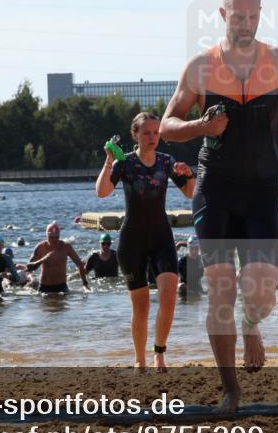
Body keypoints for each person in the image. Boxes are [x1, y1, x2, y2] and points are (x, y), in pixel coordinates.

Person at [160, 0, 278, 411]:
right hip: (216, 187)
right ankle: (231, 389)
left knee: (261, 294)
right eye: (238, 16)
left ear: (260, 15)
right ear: (223, 15)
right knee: (220, 291)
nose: (246, 23)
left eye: (253, 16)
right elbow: (168, 124)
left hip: (263, 188)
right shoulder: (201, 67)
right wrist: (202, 127)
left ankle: (251, 324)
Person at [96, 112, 195, 371]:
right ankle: (139, 359)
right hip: (132, 242)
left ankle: (159, 352)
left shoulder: (166, 161)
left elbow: (190, 193)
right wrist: (109, 161)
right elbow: (102, 192)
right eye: (147, 133)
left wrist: (189, 174)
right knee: (141, 307)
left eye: (156, 132)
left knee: (169, 297)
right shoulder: (125, 162)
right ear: (136, 135)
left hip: (161, 238)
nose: (153, 137)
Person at [26, 222, 89, 294]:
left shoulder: (66, 247)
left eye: (56, 237)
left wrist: (85, 283)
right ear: (47, 236)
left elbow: (79, 264)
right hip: (44, 287)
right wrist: (44, 259)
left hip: (62, 287)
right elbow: (29, 267)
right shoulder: (41, 247)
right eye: (51, 237)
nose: (54, 240)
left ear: (59, 236)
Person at [178, 235, 205, 299]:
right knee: (182, 287)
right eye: (191, 249)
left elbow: (199, 279)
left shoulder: (200, 260)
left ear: (199, 249)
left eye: (196, 248)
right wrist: (178, 285)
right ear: (188, 249)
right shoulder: (182, 261)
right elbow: (173, 276)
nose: (194, 251)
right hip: (184, 289)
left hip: (196, 289)